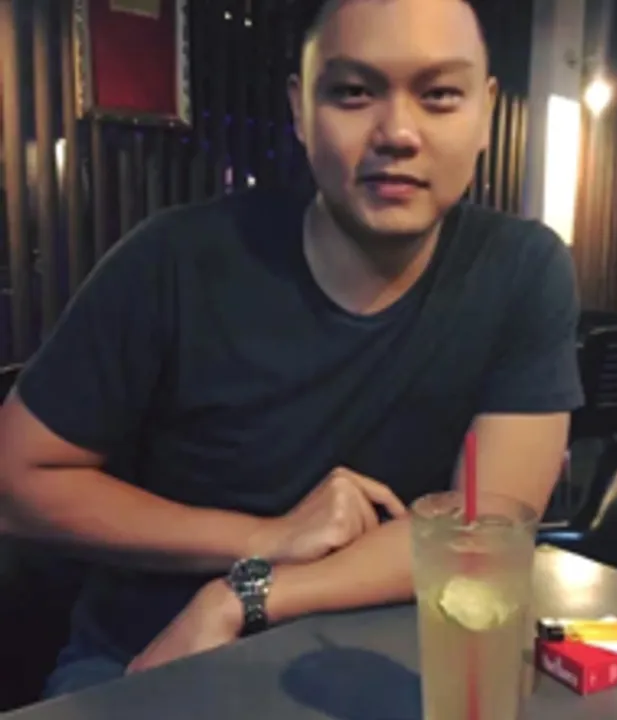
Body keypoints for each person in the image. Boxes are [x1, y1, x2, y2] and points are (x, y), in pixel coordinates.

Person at [0, 0, 583, 697]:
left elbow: (481, 534)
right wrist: (262, 537)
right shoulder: (175, 262)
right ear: (300, 110)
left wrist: (246, 593)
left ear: (484, 112)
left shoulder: (521, 272)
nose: (398, 132)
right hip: (155, 653)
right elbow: (16, 482)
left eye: (439, 95)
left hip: (380, 657)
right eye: (354, 92)